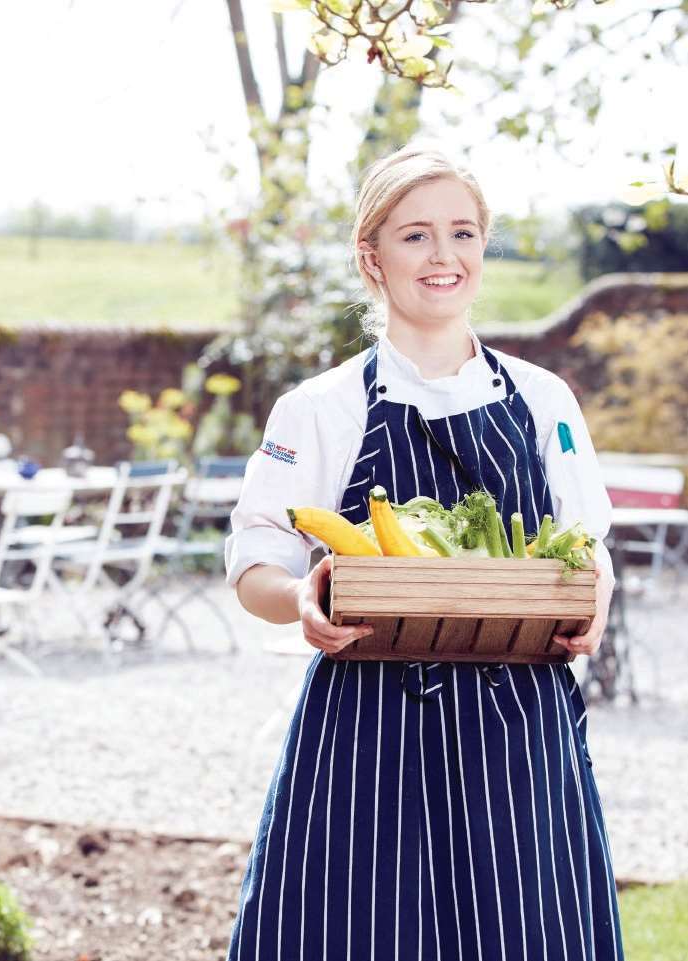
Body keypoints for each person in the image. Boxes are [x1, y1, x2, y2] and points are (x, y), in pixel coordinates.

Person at [222, 143, 624, 960]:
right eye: (415, 236)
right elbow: (253, 555)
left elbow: (588, 548)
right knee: (354, 931)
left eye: (463, 233)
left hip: (518, 723)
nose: (443, 256)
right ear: (371, 258)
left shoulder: (543, 400)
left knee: (526, 932)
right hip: (366, 723)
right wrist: (299, 599)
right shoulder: (322, 406)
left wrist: (598, 595)